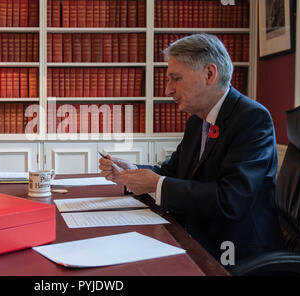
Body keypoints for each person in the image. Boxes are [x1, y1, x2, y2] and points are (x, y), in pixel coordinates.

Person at [99, 33, 284, 264]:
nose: (168, 90)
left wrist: (155, 184)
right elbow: (173, 172)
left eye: (176, 79)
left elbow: (232, 200)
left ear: (209, 74)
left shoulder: (252, 118)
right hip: (196, 234)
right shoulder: (198, 119)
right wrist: (130, 171)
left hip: (235, 250)